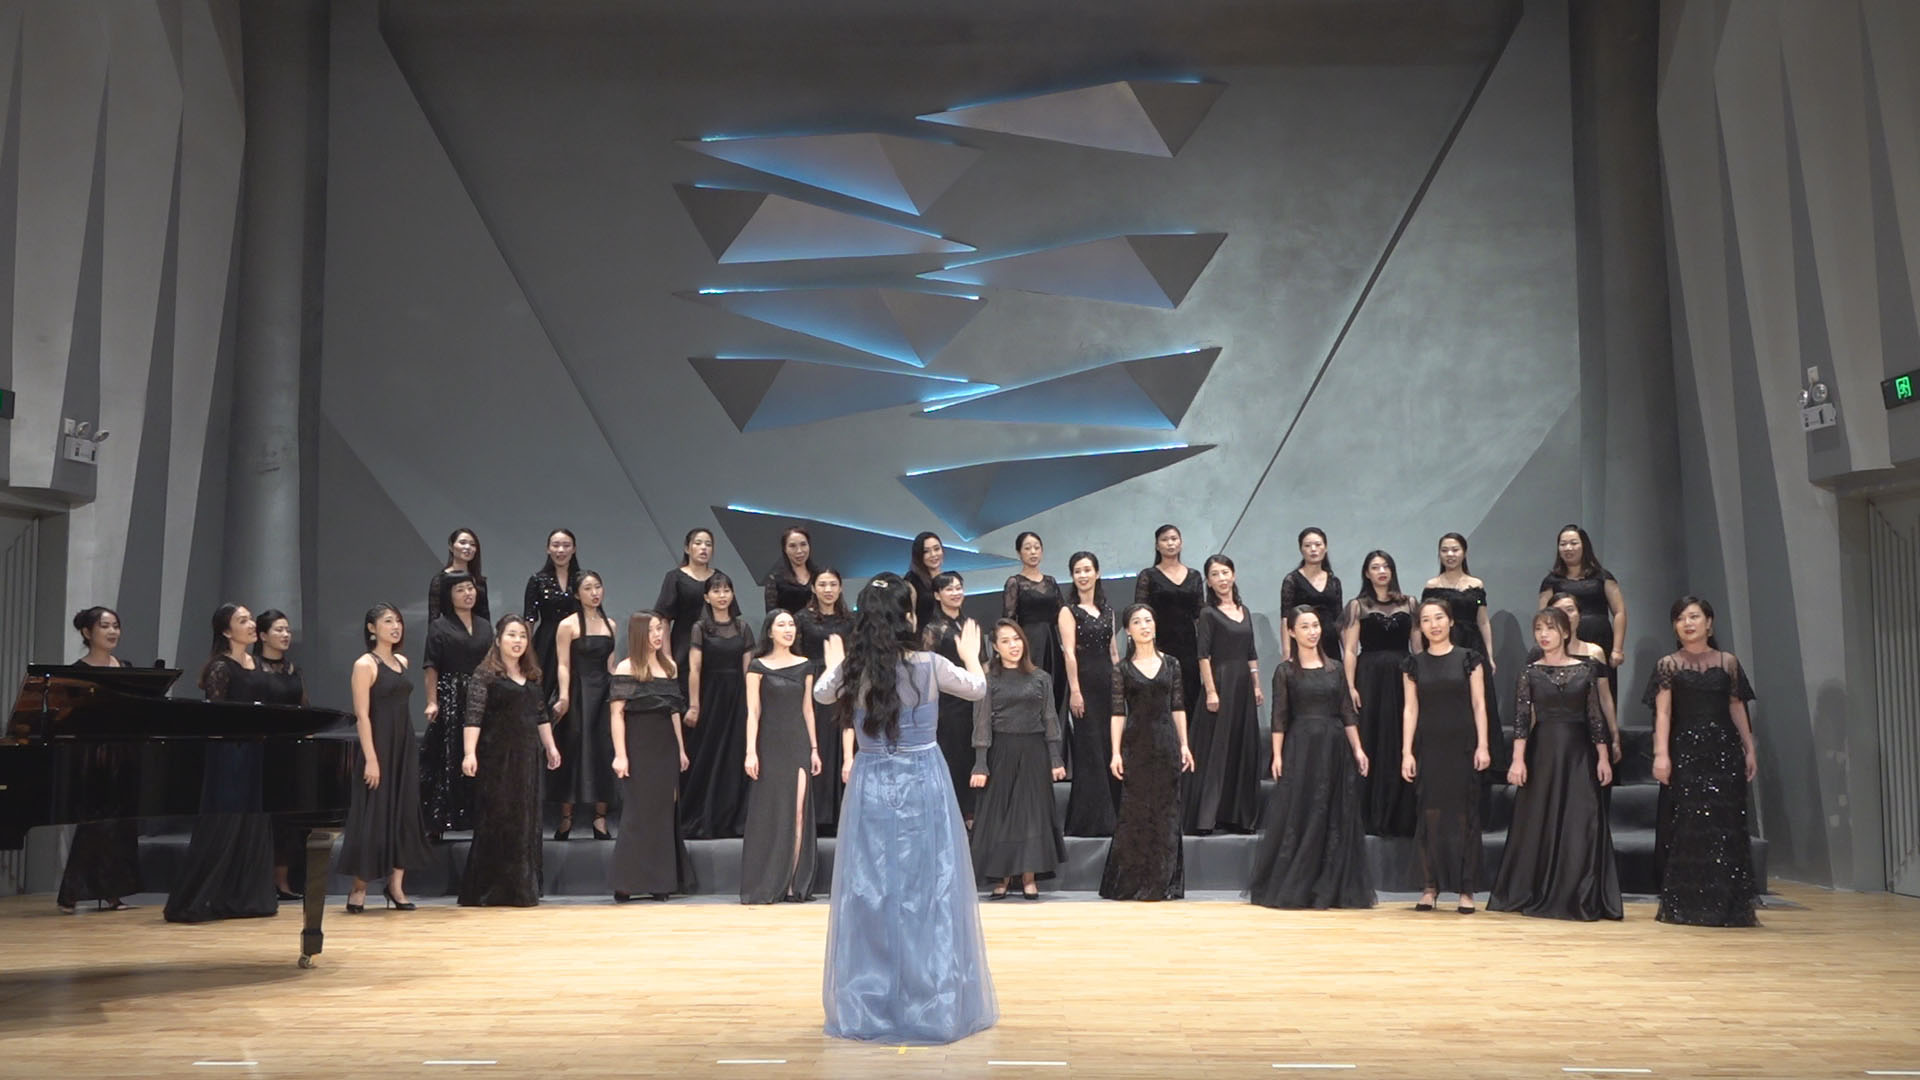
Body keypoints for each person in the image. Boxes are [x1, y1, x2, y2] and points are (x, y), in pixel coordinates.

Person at [813, 574, 994, 1045]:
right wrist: (971, 655)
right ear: (907, 617)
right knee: (929, 888)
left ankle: (874, 998)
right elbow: (977, 687)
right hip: (922, 782)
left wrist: (834, 662)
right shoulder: (930, 663)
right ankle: (929, 995)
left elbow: (821, 693)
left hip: (872, 783)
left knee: (872, 889)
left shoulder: (854, 668)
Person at [1489, 608, 1621, 921]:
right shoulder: (1530, 672)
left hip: (1579, 753)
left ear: (1564, 632)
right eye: (1538, 629)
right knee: (1540, 820)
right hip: (1543, 752)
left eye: (1550, 628)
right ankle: (1536, 888)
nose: (1543, 634)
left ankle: (1577, 892)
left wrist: (1603, 757)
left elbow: (1594, 717)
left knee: (1581, 820)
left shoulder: (1586, 670)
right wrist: (1517, 760)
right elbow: (1522, 719)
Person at [1247, 607, 1373, 910]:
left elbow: (1347, 712)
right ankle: (1299, 883)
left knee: (1333, 813)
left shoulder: (1336, 668)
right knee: (1302, 812)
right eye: (1304, 627)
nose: (1312, 631)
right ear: (1292, 632)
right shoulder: (1286, 671)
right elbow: (1279, 716)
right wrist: (1277, 755)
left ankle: (1330, 884)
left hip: (1334, 746)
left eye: (1315, 625)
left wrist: (1358, 748)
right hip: (1301, 747)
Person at [1646, 596, 1759, 927]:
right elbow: (1663, 713)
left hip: (1724, 751)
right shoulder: (1668, 665)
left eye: (1694, 616)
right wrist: (1661, 754)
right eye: (1680, 618)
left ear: (1709, 623)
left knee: (1726, 825)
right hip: (1686, 752)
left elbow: (1737, 706)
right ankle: (1689, 904)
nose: (1687, 623)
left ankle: (1726, 904)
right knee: (1689, 826)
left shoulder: (1728, 662)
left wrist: (1749, 748)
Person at [164, 604, 279, 923]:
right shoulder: (220, 667)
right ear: (227, 631)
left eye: (250, 619)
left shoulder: (257, 663)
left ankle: (245, 899)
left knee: (252, 823)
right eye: (243, 621)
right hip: (229, 754)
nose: (251, 624)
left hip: (255, 751)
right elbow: (215, 717)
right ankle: (198, 899)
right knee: (224, 822)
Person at [458, 615, 562, 907]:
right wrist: (469, 752)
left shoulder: (531, 675)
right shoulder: (486, 675)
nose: (518, 641)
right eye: (512, 635)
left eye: (523, 636)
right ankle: (490, 890)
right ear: (498, 639)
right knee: (497, 818)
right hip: (497, 758)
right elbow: (473, 716)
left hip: (527, 758)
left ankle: (521, 889)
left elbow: (541, 715)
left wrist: (550, 747)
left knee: (525, 820)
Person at [337, 604, 434, 912]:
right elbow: (362, 715)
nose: (396, 626)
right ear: (371, 628)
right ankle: (359, 888)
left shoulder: (401, 661)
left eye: (398, 621)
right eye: (388, 621)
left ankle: (396, 886)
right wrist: (371, 758)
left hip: (403, 746)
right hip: (378, 746)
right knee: (374, 815)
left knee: (404, 813)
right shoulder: (365, 664)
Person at [1400, 599, 1492, 914]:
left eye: (1439, 618)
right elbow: (1410, 709)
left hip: (1462, 744)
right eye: (1426, 620)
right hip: (1429, 745)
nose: (1434, 625)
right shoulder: (1414, 664)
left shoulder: (1469, 659)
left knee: (1464, 816)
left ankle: (1466, 890)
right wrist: (1406, 752)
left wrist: (1483, 745)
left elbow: (1479, 704)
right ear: (1420, 627)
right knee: (1430, 816)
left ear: (1451, 621)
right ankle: (1430, 887)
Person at [1099, 604, 1195, 901]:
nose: (1144, 626)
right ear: (1128, 631)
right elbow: (1118, 713)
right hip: (1136, 744)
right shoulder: (1122, 669)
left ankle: (1164, 882)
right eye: (1137, 622)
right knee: (1136, 812)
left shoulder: (1172, 664)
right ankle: (1132, 882)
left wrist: (1184, 744)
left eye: (1148, 620)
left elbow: (1178, 707)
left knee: (1167, 812)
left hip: (1166, 742)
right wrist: (1116, 753)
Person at [969, 621, 1066, 900]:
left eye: (1017, 639)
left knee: (1032, 814)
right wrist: (980, 762)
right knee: (999, 815)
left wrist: (1055, 758)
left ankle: (1028, 877)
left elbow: (1050, 718)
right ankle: (1001, 877)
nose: (1013, 645)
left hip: (1034, 751)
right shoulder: (989, 679)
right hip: (1001, 750)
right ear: (995, 647)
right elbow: (982, 721)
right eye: (1006, 641)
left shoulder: (1041, 677)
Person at [56, 607, 141, 913]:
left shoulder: (126, 667)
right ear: (87, 632)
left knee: (122, 824)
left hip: (123, 751)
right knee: (94, 825)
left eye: (116, 626)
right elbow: (67, 717)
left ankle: (114, 892)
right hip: (92, 754)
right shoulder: (77, 672)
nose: (113, 631)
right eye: (105, 626)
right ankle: (70, 893)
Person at [609, 612, 693, 902]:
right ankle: (627, 881)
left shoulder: (669, 667)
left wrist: (680, 749)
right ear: (639, 634)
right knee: (637, 813)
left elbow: (674, 712)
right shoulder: (626, 667)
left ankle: (660, 881)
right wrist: (620, 755)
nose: (658, 635)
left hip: (665, 748)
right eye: (653, 630)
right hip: (638, 746)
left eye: (660, 629)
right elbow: (617, 715)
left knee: (662, 813)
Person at [740, 610, 820, 904]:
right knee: (773, 812)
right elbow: (753, 712)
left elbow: (808, 709)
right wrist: (750, 751)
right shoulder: (757, 666)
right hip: (769, 745)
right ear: (770, 631)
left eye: (791, 624)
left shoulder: (805, 665)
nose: (788, 629)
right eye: (782, 625)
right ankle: (771, 879)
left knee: (798, 812)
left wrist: (814, 749)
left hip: (797, 742)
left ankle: (793, 882)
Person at [1342, 551, 1418, 837]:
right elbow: (1350, 650)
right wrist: (1350, 686)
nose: (1382, 571)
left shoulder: (1410, 603)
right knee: (1371, 736)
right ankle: (1369, 813)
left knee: (1400, 736)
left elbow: (1418, 647)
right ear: (1367, 573)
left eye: (1386, 566)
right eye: (1375, 567)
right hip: (1370, 677)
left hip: (1403, 675)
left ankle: (1401, 813)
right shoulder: (1357, 606)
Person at [1190, 554, 1262, 834]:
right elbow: (1203, 655)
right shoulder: (1208, 613)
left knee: (1241, 746)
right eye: (1215, 574)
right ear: (1208, 582)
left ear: (1233, 575)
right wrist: (1211, 691)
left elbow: (1251, 652)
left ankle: (1239, 816)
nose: (1221, 578)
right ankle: (1208, 817)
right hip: (1221, 682)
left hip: (1243, 685)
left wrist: (1256, 685)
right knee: (1217, 748)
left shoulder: (1244, 610)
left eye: (1225, 572)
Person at [682, 572, 754, 839]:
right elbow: (695, 668)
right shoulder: (700, 628)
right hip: (709, 695)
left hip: (736, 697)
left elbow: (749, 670)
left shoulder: (743, 627)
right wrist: (694, 705)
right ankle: (704, 816)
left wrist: (751, 705)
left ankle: (732, 819)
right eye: (716, 591)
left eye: (726, 590)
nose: (722, 596)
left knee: (734, 756)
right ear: (706, 597)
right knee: (707, 754)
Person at [421, 574, 493, 838]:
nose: (468, 593)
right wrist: (432, 701)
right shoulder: (439, 626)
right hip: (451, 693)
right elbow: (431, 666)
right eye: (460, 590)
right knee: (447, 754)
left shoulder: (485, 625)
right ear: (449, 596)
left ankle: (479, 819)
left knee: (482, 754)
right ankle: (438, 821)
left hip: (481, 693)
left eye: (470, 588)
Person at [550, 570, 617, 840]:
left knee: (604, 751)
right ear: (577, 594)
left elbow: (611, 665)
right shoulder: (567, 625)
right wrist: (564, 696)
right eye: (588, 588)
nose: (594, 593)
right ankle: (566, 818)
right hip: (578, 692)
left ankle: (600, 818)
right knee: (574, 750)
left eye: (597, 587)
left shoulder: (611, 624)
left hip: (605, 693)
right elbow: (563, 664)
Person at [1058, 551, 1120, 836]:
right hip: (1084, 684)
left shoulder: (1108, 610)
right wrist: (1075, 690)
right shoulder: (1068, 611)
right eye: (1077, 571)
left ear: (1097, 573)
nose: (1082, 575)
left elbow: (1114, 652)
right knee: (1090, 749)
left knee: (1110, 746)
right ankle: (1092, 821)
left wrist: (1120, 685)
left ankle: (1115, 814)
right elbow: (1069, 653)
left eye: (1087, 570)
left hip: (1108, 683)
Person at [252, 609, 309, 898]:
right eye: (279, 630)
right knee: (265, 818)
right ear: (262, 635)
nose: (286, 635)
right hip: (261, 750)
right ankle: (260, 881)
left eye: (287, 630)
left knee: (288, 819)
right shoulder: (252, 668)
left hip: (290, 750)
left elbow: (303, 708)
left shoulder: (293, 670)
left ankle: (284, 882)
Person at [921, 570, 982, 822]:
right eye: (949, 589)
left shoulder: (970, 624)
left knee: (973, 754)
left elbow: (982, 663)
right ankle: (952, 814)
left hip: (973, 699)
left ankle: (973, 811)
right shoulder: (933, 629)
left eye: (959, 588)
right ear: (937, 595)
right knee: (953, 756)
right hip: (947, 703)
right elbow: (926, 669)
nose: (956, 593)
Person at [795, 568, 852, 831]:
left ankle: (842, 812)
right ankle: (816, 814)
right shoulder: (802, 619)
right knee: (818, 741)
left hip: (844, 682)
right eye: (822, 584)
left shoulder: (850, 620)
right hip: (814, 681)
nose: (828, 589)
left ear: (840, 588)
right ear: (813, 588)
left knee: (843, 739)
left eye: (833, 584)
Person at [1537, 524, 1628, 675]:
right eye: (1563, 544)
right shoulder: (1551, 581)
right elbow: (1544, 617)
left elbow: (1619, 612)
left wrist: (1617, 649)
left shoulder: (1602, 577)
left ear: (1584, 546)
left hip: (1600, 639)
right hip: (1564, 642)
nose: (1568, 548)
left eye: (1573, 543)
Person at [1134, 524, 1204, 716]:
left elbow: (1200, 614)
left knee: (1190, 694)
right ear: (1157, 546)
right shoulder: (1148, 576)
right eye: (1165, 540)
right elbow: (1139, 614)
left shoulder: (1194, 576)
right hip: (1160, 646)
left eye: (1174, 539)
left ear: (1181, 543)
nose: (1170, 543)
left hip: (1189, 647)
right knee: (1164, 698)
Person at [1002, 531, 1067, 715]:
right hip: (1029, 643)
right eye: (1027, 548)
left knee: (1056, 689)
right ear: (1019, 553)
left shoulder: (1051, 581)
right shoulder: (1014, 582)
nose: (1033, 552)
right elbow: (1008, 620)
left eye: (1037, 548)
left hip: (1052, 643)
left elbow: (1063, 614)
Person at [653, 528, 720, 697]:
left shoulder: (719, 578)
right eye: (698, 543)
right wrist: (667, 656)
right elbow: (664, 619)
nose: (703, 548)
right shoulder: (675, 577)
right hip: (683, 647)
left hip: (715, 648)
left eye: (708, 544)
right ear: (687, 548)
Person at [524, 529, 583, 704]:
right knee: (542, 693)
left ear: (574, 549)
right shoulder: (537, 580)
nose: (561, 550)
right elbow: (529, 619)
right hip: (547, 641)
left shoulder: (581, 580)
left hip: (577, 640)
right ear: (548, 549)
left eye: (566, 545)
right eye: (556, 545)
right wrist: (528, 654)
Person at [1279, 527, 1342, 662]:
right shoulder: (1292, 580)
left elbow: (1339, 619)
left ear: (1325, 548)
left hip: (1331, 645)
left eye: (1318, 545)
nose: (1313, 549)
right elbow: (1285, 618)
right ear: (1301, 549)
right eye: (1307, 546)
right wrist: (1287, 652)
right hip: (1303, 645)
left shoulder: (1334, 581)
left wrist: (1347, 650)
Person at [427, 527, 490, 625]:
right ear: (451, 547)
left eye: (472, 544)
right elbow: (434, 618)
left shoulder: (478, 580)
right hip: (448, 632)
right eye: (463, 542)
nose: (468, 547)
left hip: (476, 632)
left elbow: (485, 616)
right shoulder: (440, 580)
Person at [761, 525, 818, 616]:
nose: (799, 551)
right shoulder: (776, 578)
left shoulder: (819, 575)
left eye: (803, 544)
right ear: (785, 549)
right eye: (792, 546)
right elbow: (772, 616)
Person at [904, 531, 946, 633]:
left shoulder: (947, 578)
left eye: (936, 549)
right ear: (918, 555)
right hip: (922, 637)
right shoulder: (912, 580)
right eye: (926, 551)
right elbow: (907, 616)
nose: (933, 554)